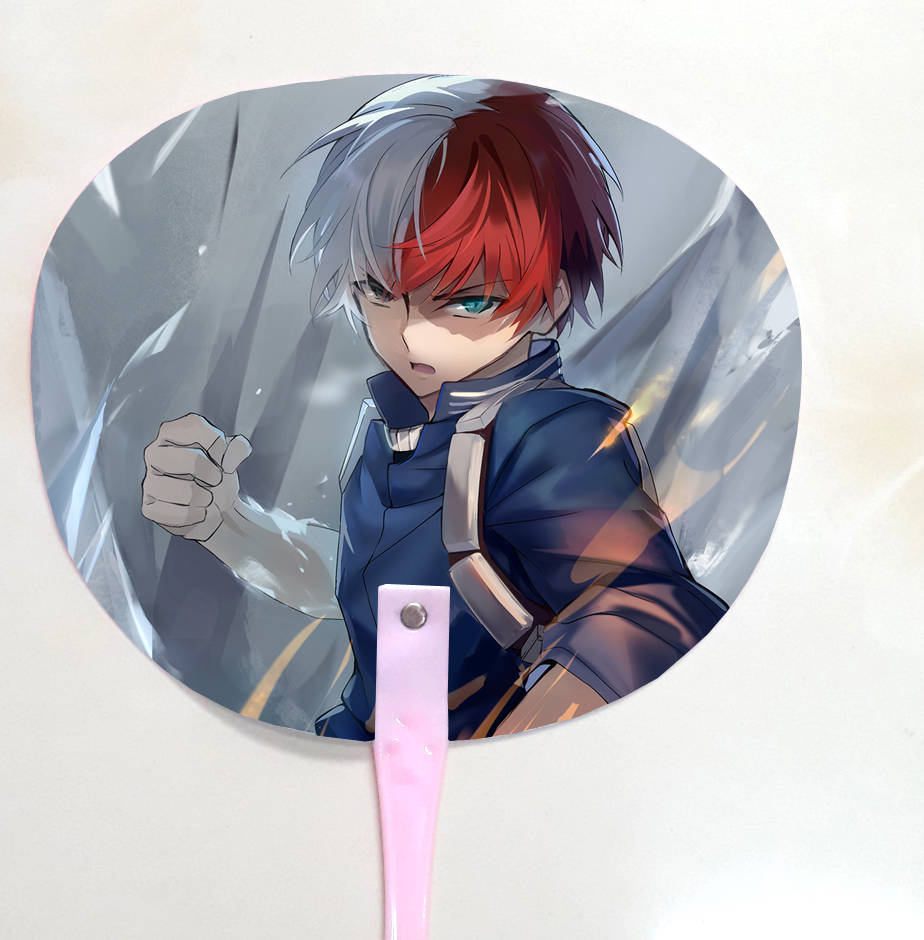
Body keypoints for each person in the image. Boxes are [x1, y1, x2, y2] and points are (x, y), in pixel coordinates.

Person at [141, 76, 727, 740]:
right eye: (378, 291)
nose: (412, 336)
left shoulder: (551, 433)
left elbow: (642, 612)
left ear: (552, 299)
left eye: (468, 301)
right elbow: (367, 585)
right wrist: (225, 522)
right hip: (364, 749)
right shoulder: (398, 431)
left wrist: (498, 767)